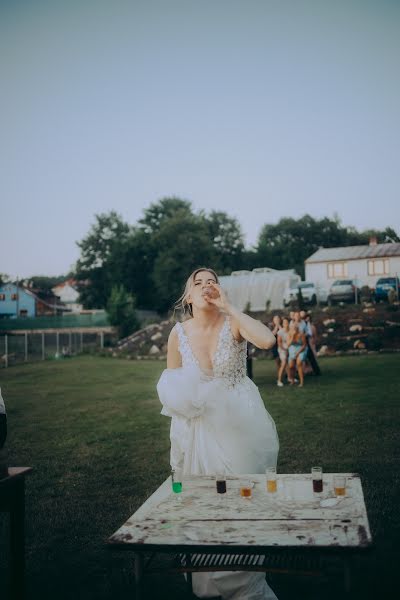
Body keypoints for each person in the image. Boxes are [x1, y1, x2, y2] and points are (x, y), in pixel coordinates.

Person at [157, 267, 279, 600]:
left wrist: (231, 308)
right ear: (189, 296)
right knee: (203, 501)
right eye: (199, 282)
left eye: (213, 281)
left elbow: (268, 340)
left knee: (242, 499)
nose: (207, 285)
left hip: (241, 426)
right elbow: (170, 384)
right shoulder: (177, 334)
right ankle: (209, 582)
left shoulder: (234, 322)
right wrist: (186, 404)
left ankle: (245, 582)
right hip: (198, 429)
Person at [287, 322, 307, 387]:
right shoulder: (289, 334)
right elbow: (288, 344)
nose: (294, 328)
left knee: (299, 364)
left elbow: (304, 345)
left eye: (296, 327)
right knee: (291, 367)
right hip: (292, 350)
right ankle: (292, 380)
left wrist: (298, 353)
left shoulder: (301, 334)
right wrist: (292, 336)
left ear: (298, 327)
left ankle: (301, 382)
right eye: (293, 327)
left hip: (301, 350)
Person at [276, 317, 290, 386]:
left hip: (289, 349)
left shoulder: (290, 330)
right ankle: (279, 381)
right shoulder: (280, 332)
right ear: (283, 324)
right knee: (284, 363)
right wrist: (285, 349)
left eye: (287, 323)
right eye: (285, 323)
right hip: (282, 349)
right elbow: (279, 343)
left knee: (287, 364)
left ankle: (289, 378)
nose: (286, 324)